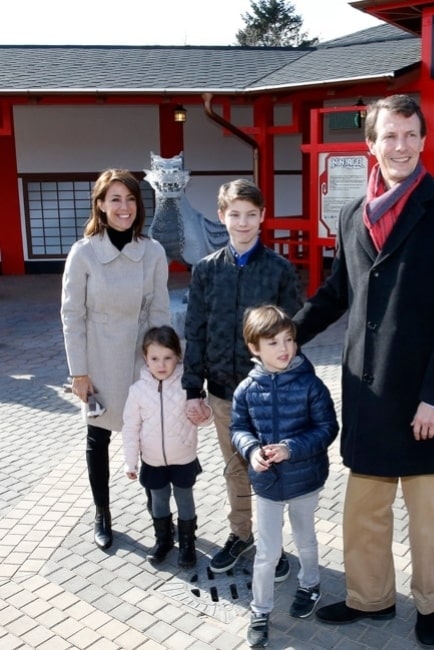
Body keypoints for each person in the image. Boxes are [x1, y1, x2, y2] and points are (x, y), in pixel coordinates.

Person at [292, 94, 434, 647]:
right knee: (364, 515)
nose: (399, 145)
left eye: (409, 134)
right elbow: (338, 292)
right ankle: (370, 599)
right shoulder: (353, 213)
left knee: (425, 519)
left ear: (423, 141)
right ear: (371, 145)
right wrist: (287, 335)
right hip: (369, 392)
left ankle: (428, 605)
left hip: (427, 397)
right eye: (388, 136)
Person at [182, 178, 303, 580]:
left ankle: (273, 543)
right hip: (220, 391)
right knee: (236, 467)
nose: (243, 222)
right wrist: (191, 389)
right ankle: (240, 533)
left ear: (262, 217)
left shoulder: (280, 270)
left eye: (251, 214)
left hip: (266, 392)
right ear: (222, 217)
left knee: (269, 467)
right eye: (235, 214)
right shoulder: (205, 271)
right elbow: (195, 330)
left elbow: (292, 335)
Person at [61, 169, 170, 551]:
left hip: (142, 357)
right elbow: (72, 315)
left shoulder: (153, 251)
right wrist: (79, 373)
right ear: (101, 206)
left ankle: (157, 510)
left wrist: (166, 364)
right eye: (115, 199)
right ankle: (102, 511)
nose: (124, 207)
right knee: (99, 438)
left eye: (130, 199)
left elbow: (159, 310)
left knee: (149, 438)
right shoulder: (84, 253)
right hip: (99, 358)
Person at [230, 305, 338, 648]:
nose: (284, 348)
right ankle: (260, 610)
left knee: (306, 539)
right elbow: (239, 428)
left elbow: (327, 427)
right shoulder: (246, 389)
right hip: (267, 485)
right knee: (267, 552)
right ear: (254, 348)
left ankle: (310, 584)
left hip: (305, 479)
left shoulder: (310, 384)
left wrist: (291, 447)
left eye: (288, 339)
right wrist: (251, 451)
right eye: (273, 342)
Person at [122, 325, 211, 568]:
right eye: (154, 358)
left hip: (183, 457)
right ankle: (163, 541)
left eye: (167, 358)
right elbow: (130, 428)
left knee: (185, 500)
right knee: (158, 501)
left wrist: (204, 414)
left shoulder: (187, 384)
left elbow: (206, 415)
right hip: (152, 461)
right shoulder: (137, 391)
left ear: (178, 357)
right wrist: (131, 461)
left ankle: (188, 544)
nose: (161, 364)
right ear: (145, 359)